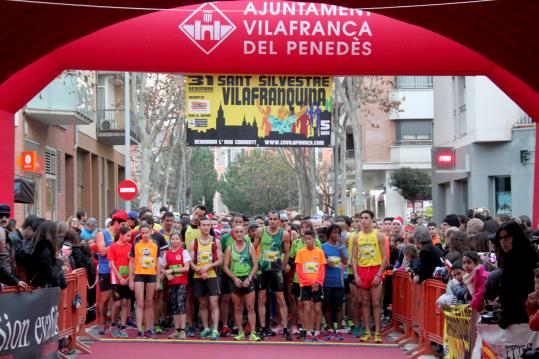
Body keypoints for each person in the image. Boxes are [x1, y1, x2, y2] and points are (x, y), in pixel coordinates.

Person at [253, 210, 292, 340]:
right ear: (267, 219)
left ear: (279, 220)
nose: (273, 221)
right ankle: (263, 328)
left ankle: (286, 328)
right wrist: (254, 265)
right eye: (271, 218)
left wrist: (283, 265)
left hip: (276, 269)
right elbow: (253, 248)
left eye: (275, 219)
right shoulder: (260, 231)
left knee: (280, 298)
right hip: (262, 269)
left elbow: (287, 252)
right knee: (262, 297)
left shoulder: (284, 234)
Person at [494, 221, 539, 329]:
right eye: (500, 238)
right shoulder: (508, 258)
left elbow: (521, 291)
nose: (503, 241)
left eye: (507, 237)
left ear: (516, 237)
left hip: (523, 320)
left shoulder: (526, 258)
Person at [352, 210, 387, 343]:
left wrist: (379, 274)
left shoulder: (379, 236)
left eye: (366, 218)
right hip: (362, 270)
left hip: (375, 269)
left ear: (372, 220)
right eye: (362, 218)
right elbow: (354, 257)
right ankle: (367, 331)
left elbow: (385, 258)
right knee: (364, 302)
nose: (363, 220)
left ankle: (377, 332)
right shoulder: (356, 237)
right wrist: (356, 274)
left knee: (376, 302)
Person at [222, 225, 260, 341]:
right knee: (237, 307)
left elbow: (255, 265)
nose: (239, 234)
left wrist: (249, 278)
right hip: (235, 280)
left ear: (245, 233)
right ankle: (240, 332)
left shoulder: (250, 247)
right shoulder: (229, 248)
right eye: (237, 232)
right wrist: (234, 278)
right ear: (233, 233)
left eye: (241, 232)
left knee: (250, 307)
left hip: (248, 280)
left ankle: (253, 332)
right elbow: (225, 267)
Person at [188, 216, 223, 340]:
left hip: (212, 275)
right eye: (204, 225)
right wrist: (198, 269)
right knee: (202, 304)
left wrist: (209, 266)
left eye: (208, 225)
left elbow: (220, 260)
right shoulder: (194, 243)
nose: (206, 227)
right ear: (199, 227)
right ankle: (206, 328)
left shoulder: (216, 241)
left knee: (213, 303)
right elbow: (190, 261)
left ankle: (215, 329)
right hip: (198, 276)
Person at [96, 210, 128, 335]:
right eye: (122, 225)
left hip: (119, 271)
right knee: (105, 299)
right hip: (105, 270)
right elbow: (102, 251)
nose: (124, 227)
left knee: (119, 300)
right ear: (115, 223)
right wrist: (117, 244)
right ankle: (102, 322)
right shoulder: (102, 233)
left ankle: (115, 323)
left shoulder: (123, 235)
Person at [129, 223, 160, 338]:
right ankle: (139, 329)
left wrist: (158, 280)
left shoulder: (155, 245)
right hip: (139, 275)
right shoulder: (136, 245)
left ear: (151, 232)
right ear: (140, 234)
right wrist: (131, 279)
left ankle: (148, 329)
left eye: (147, 232)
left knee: (149, 302)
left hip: (151, 275)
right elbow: (131, 262)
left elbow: (157, 263)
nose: (145, 235)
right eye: (143, 233)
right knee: (140, 302)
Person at [295, 229, 327, 342]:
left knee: (318, 308)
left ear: (314, 239)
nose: (307, 241)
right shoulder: (300, 252)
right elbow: (299, 271)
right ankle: (308, 332)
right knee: (307, 308)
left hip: (318, 285)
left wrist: (318, 283)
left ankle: (317, 333)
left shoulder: (319, 252)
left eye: (310, 239)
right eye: (305, 239)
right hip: (305, 285)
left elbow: (322, 270)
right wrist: (310, 283)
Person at [161, 232, 191, 340]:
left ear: (180, 241)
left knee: (180, 304)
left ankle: (182, 331)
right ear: (170, 240)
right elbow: (161, 267)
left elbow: (186, 268)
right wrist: (166, 274)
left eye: (176, 238)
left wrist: (172, 270)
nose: (174, 240)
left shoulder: (184, 252)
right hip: (171, 283)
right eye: (172, 239)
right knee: (174, 305)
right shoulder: (167, 254)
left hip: (182, 282)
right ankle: (176, 330)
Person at [322, 224, 348, 341]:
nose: (336, 235)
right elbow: (320, 261)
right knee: (327, 306)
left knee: (338, 306)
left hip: (339, 281)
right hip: (326, 281)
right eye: (334, 232)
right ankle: (328, 328)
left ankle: (337, 330)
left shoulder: (341, 247)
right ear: (329, 234)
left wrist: (341, 248)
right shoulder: (323, 247)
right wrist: (326, 261)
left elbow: (345, 261)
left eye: (338, 233)